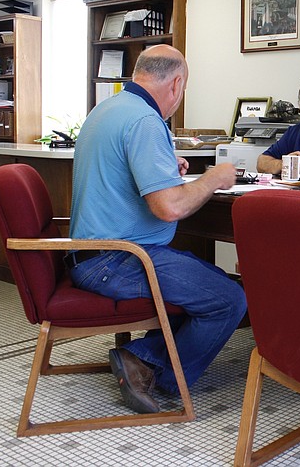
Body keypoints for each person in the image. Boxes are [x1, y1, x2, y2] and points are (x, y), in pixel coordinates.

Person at [68, 45, 247, 413]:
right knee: (230, 299)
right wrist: (214, 177)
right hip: (118, 260)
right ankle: (149, 366)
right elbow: (170, 207)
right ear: (177, 83)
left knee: (209, 279)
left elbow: (121, 173)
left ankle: (141, 357)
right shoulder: (146, 121)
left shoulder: (109, 109)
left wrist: (165, 166)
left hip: (92, 254)